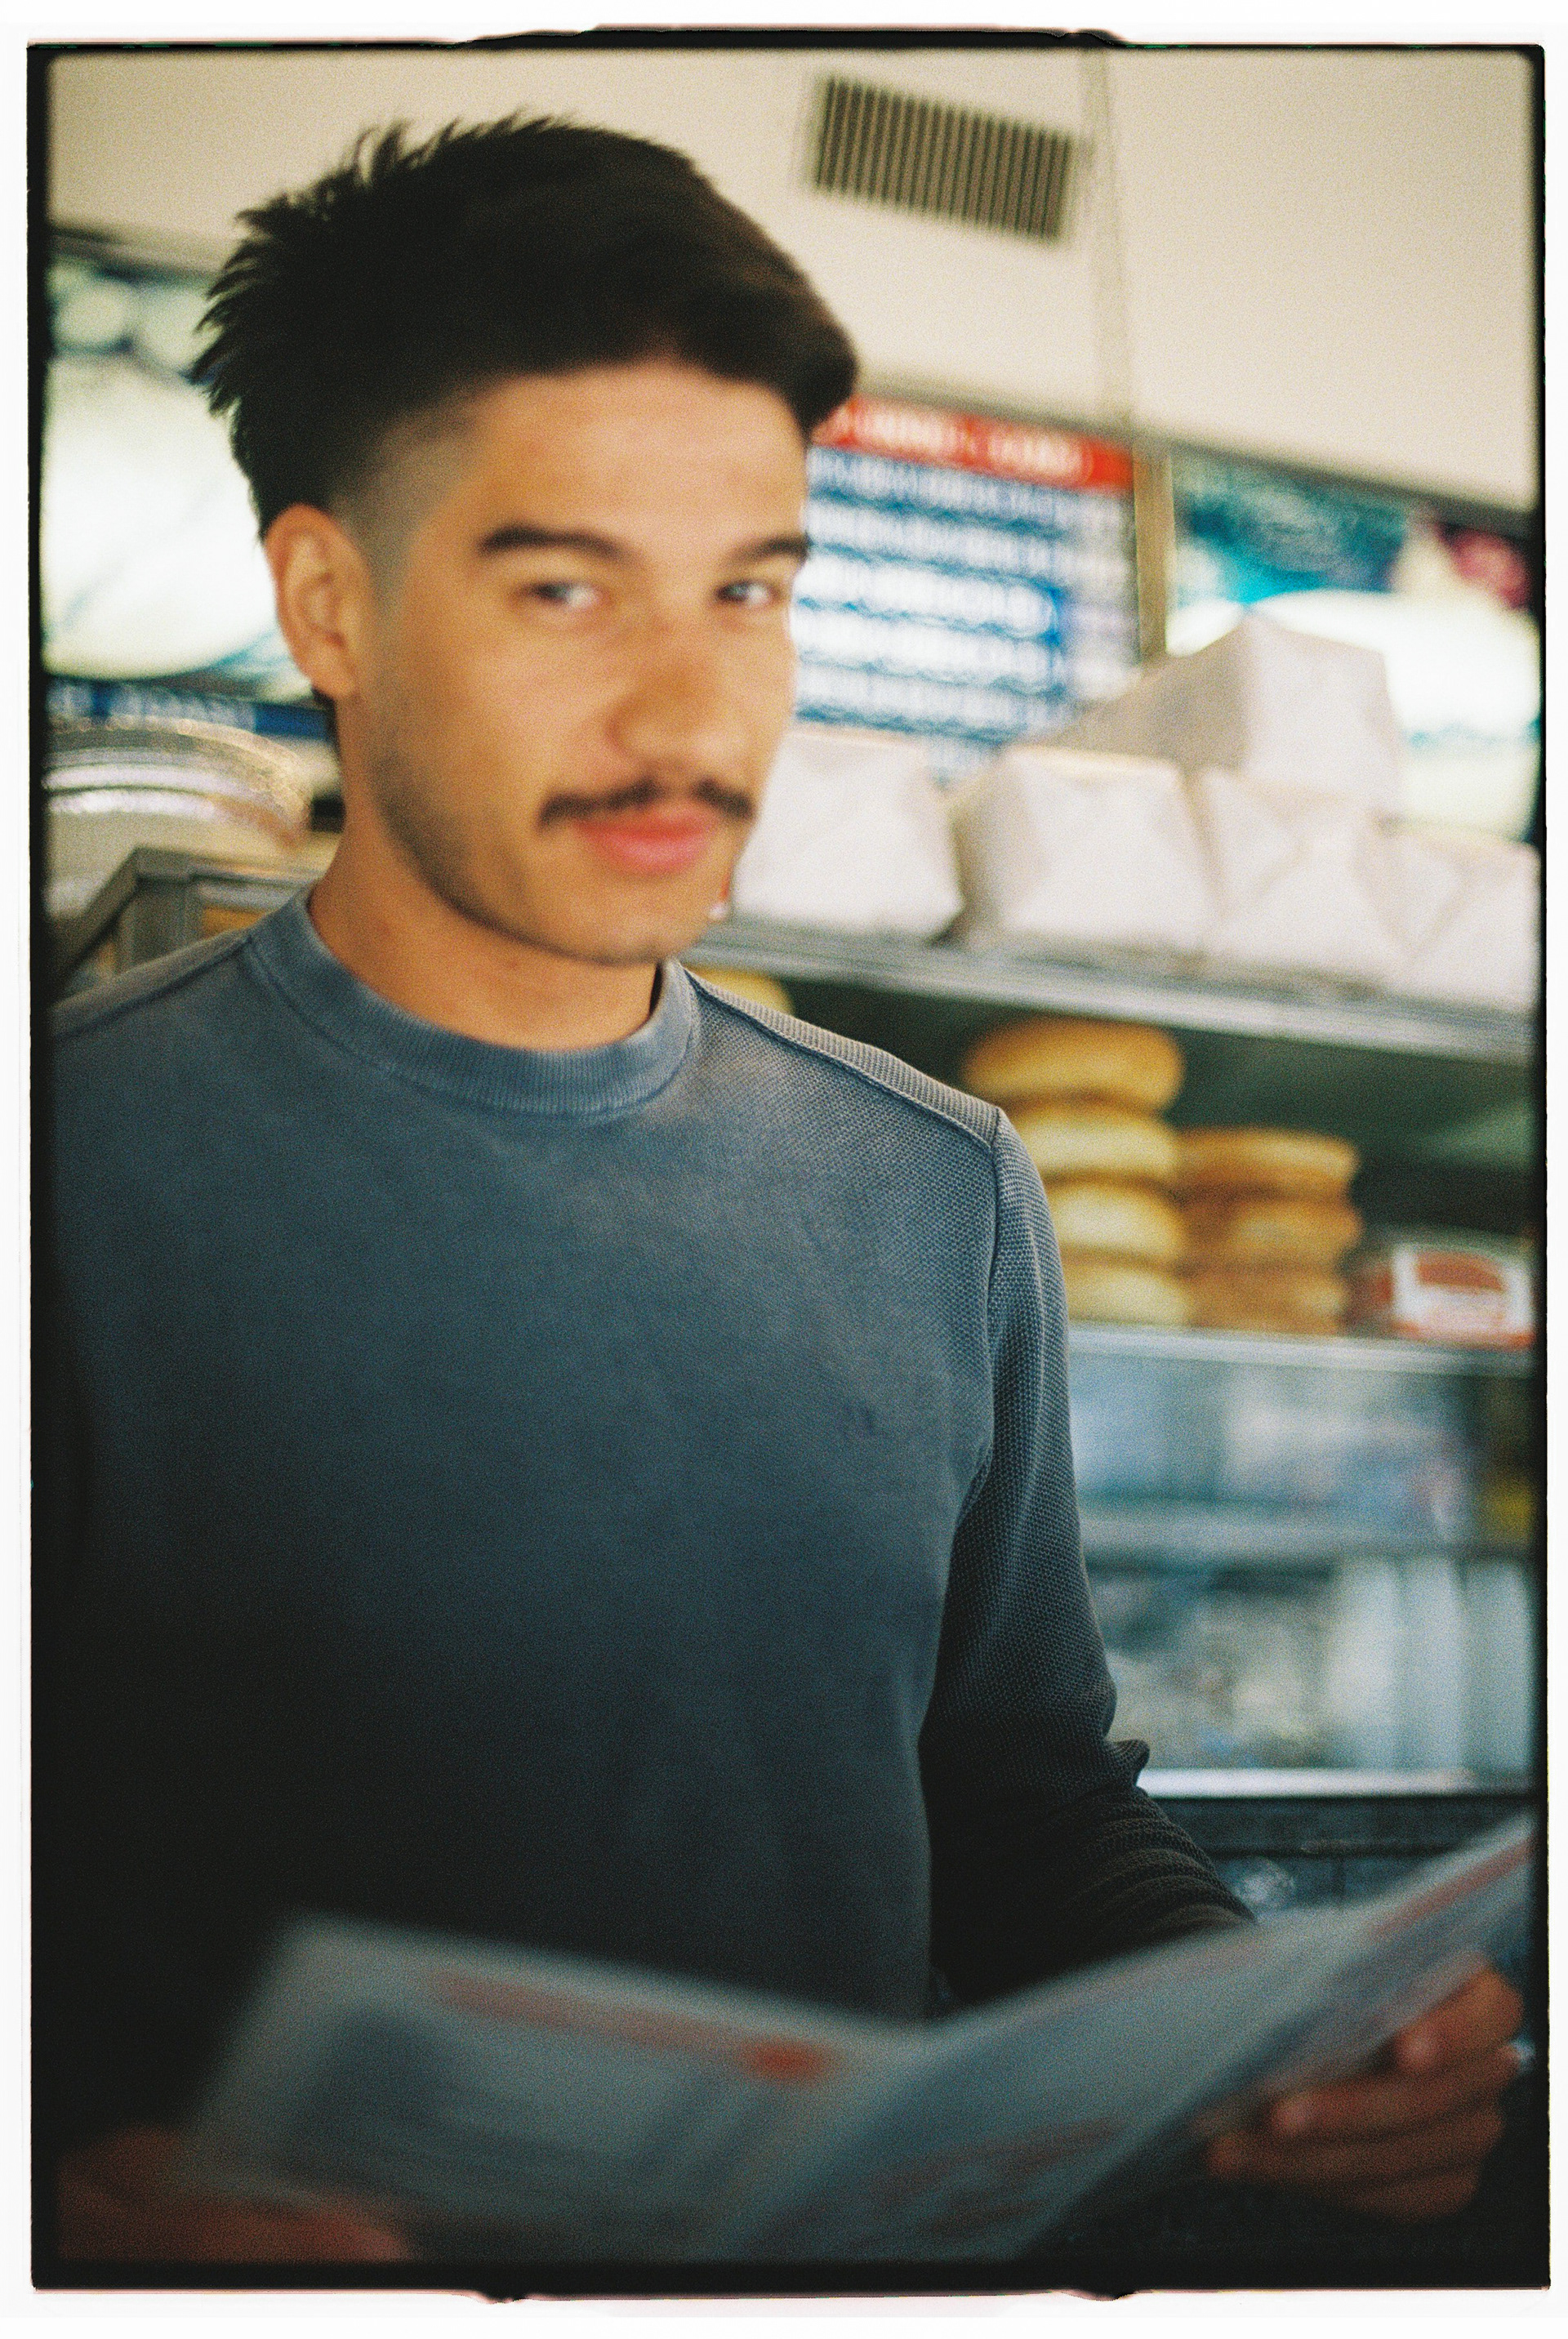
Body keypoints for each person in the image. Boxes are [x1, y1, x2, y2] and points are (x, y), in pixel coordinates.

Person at [42, 116, 1523, 2268]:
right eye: (567, 589)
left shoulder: (936, 1189)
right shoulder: (75, 1178)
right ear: (327, 602)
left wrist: (1277, 2045)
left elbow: (1020, 1801)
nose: (691, 708)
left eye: (750, 588)